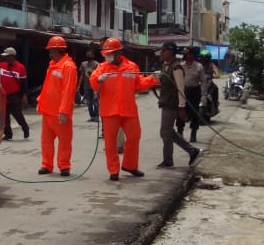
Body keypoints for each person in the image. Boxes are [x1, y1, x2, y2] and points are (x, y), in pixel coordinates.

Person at [90, 37, 159, 180]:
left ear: (119, 52)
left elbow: (139, 84)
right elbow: (93, 82)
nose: (108, 56)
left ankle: (130, 165)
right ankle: (113, 170)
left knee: (134, 136)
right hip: (110, 111)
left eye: (110, 53)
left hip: (129, 110)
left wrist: (153, 78)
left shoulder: (132, 67)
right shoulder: (102, 68)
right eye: (106, 53)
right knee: (110, 142)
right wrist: (98, 79)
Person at [37, 35, 78, 177]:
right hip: (48, 111)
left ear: (57, 50)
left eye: (51, 51)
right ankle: (47, 165)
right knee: (46, 141)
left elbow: (68, 90)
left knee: (64, 141)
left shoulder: (68, 67)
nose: (49, 53)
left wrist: (64, 111)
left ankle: (64, 166)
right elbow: (47, 86)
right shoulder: (52, 65)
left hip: (60, 112)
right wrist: (40, 101)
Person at [156, 42, 201, 168]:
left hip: (172, 104)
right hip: (166, 102)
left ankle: (168, 160)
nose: (161, 53)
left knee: (165, 132)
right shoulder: (166, 66)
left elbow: (181, 89)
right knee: (168, 132)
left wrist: (182, 107)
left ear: (170, 52)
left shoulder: (176, 68)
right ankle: (192, 150)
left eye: (163, 50)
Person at [176, 46, 208, 142]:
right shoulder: (180, 66)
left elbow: (203, 81)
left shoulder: (199, 66)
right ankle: (180, 132)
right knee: (180, 112)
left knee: (194, 113)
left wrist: (203, 95)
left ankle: (193, 133)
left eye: (188, 53)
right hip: (183, 92)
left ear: (192, 55)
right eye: (185, 54)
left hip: (194, 92)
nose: (186, 55)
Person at [0, 47, 29, 141]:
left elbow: (24, 83)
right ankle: (8, 134)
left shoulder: (21, 67)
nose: (6, 58)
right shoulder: (2, 65)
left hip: (15, 94)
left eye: (7, 56)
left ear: (12, 56)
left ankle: (25, 128)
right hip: (4, 94)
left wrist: (24, 95)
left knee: (17, 113)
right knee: (5, 115)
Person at [79, 49, 100, 121]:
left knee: (95, 101)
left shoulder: (97, 64)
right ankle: (92, 116)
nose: (88, 56)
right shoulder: (83, 64)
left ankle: (97, 116)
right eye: (87, 54)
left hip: (95, 86)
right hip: (86, 86)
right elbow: (82, 75)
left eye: (90, 54)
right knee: (89, 102)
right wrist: (79, 85)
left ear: (93, 55)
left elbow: (98, 75)